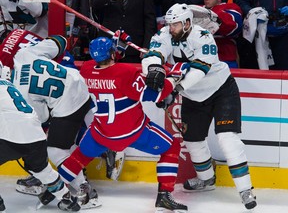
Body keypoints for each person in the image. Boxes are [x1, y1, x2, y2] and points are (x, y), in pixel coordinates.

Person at [141, 3, 257, 210]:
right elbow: (153, 54)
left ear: (187, 23)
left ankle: (245, 189)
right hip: (193, 96)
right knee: (193, 141)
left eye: (175, 24)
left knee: (227, 139)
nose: (171, 28)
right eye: (169, 24)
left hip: (221, 89)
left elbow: (199, 70)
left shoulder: (202, 36)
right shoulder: (165, 34)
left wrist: (175, 91)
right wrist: (153, 69)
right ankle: (206, 179)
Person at [58, 36, 188, 212]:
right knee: (171, 147)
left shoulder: (87, 69)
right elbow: (156, 94)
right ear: (112, 53)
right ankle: (164, 195)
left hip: (101, 134)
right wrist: (173, 78)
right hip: (133, 132)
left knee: (79, 157)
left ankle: (52, 188)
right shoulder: (125, 72)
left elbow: (105, 67)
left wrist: (117, 46)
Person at [0, 29, 100, 209]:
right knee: (79, 136)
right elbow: (60, 41)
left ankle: (85, 192)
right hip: (81, 85)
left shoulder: (19, 90)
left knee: (55, 150)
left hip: (69, 104)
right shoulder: (24, 54)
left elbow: (42, 117)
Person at [0, 74, 80, 212]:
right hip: (36, 136)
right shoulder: (9, 85)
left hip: (11, 137)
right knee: (43, 170)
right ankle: (67, 199)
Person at [90, 0, 157, 63]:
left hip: (134, 47)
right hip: (107, 47)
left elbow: (150, 20)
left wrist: (146, 46)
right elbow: (94, 4)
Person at [234, 0, 288, 70]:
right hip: (255, 32)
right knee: (255, 70)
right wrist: (253, 13)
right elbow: (242, 2)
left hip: (283, 35)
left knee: (283, 70)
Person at [204, 0, 243, 68]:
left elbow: (235, 28)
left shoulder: (231, 8)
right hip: (203, 60)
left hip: (226, 57)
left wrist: (210, 16)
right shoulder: (198, 9)